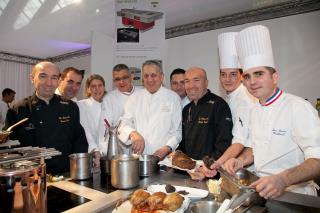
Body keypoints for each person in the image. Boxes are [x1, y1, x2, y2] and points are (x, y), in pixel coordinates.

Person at [225, 25, 320, 198]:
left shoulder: (298, 107)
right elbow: (256, 148)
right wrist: (241, 160)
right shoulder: (254, 111)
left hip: (297, 194)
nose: (252, 81)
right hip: (263, 191)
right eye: (247, 76)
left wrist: (283, 180)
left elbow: (317, 160)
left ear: (274, 77)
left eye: (259, 74)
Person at [5, 61, 88, 174]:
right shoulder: (18, 109)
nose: (49, 83)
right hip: (31, 177)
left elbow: (79, 142)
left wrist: (78, 169)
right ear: (32, 78)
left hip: (65, 176)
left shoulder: (70, 107)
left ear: (58, 81)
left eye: (54, 77)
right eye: (43, 76)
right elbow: (9, 148)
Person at [196, 32, 257, 179]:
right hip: (230, 163)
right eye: (223, 74)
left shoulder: (244, 99)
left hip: (248, 167)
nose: (227, 79)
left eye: (233, 74)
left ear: (241, 75)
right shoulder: (228, 98)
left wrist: (217, 163)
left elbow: (239, 141)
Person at [117, 60, 182, 160]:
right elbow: (123, 124)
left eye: (153, 75)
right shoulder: (134, 98)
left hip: (164, 159)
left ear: (162, 77)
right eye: (146, 76)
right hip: (138, 158)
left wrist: (167, 147)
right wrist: (133, 134)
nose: (149, 79)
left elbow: (177, 131)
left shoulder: (173, 98)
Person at [177, 67, 233, 160]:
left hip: (211, 169)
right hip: (190, 169)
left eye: (196, 80)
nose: (191, 86)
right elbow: (183, 141)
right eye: (187, 81)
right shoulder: (187, 109)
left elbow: (224, 142)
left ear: (206, 83)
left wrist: (208, 165)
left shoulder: (219, 105)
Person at [97, 64, 141, 155]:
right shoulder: (109, 99)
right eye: (117, 79)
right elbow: (104, 129)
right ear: (113, 81)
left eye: (125, 77)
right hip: (119, 148)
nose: (121, 82)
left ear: (131, 77)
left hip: (142, 144)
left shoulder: (142, 93)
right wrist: (103, 152)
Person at [77, 74, 106, 167]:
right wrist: (94, 149)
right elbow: (85, 129)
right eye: (93, 86)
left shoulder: (108, 105)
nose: (97, 89)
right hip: (91, 153)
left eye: (100, 85)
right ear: (88, 89)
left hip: (106, 153)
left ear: (104, 87)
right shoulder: (81, 105)